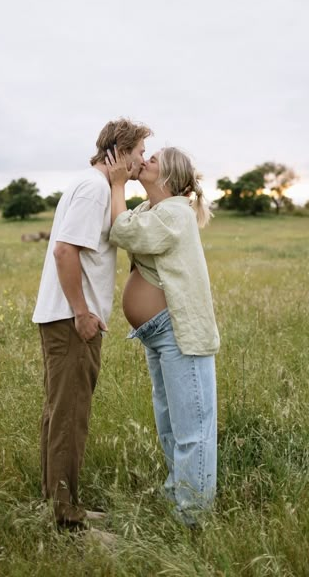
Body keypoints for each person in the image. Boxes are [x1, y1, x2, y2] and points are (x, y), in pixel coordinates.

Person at [32, 118, 152, 531]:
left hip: (68, 318)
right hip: (71, 321)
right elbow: (65, 252)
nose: (142, 162)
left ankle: (58, 502)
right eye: (138, 153)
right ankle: (66, 519)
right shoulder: (94, 189)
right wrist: (82, 312)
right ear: (118, 153)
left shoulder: (96, 187)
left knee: (61, 413)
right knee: (69, 416)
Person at [107, 146, 220, 526]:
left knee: (192, 429)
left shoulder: (175, 212)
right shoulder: (150, 210)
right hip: (157, 334)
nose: (146, 161)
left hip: (179, 332)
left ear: (168, 174)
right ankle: (178, 493)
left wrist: (117, 184)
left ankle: (193, 517)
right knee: (170, 425)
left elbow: (122, 231)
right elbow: (121, 223)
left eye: (152, 159)